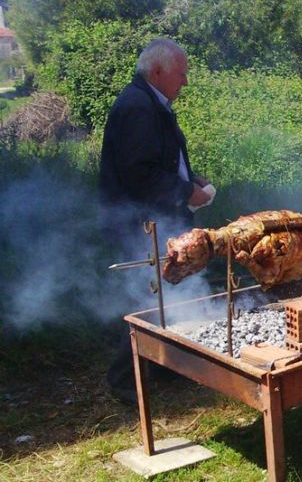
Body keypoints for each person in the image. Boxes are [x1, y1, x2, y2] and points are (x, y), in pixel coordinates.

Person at [99, 38, 214, 403]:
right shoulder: (137, 107)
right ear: (159, 71)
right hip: (139, 221)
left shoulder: (152, 103)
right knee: (144, 298)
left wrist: (190, 181)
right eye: (181, 74)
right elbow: (140, 174)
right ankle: (124, 379)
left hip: (157, 216)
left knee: (169, 292)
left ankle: (167, 367)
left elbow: (163, 160)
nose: (185, 82)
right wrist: (185, 194)